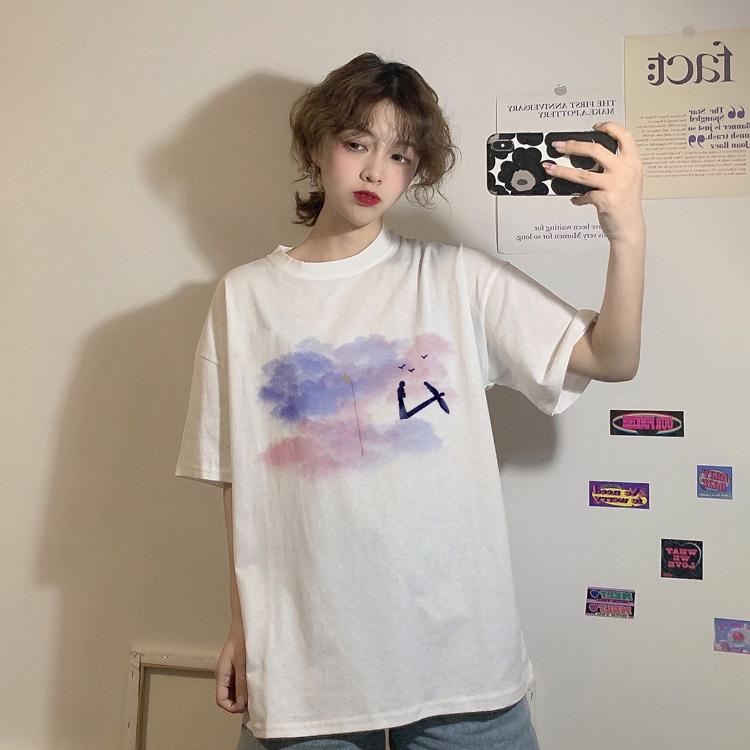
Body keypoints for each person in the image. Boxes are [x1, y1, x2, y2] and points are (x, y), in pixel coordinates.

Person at [174, 52, 645, 750]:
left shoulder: (456, 278)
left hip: (462, 662)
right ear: (316, 146)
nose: (374, 172)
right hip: (309, 668)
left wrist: (627, 232)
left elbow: (612, 358)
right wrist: (244, 627)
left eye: (399, 155)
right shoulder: (246, 298)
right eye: (356, 144)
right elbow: (239, 480)